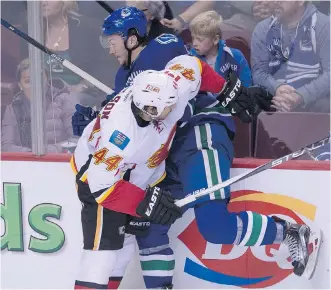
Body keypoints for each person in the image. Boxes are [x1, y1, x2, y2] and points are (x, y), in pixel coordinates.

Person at [73, 6, 318, 289]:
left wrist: (228, 91)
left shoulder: (162, 51)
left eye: (112, 39)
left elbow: (195, 67)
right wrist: (94, 119)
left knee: (214, 225)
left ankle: (289, 232)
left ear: (130, 38)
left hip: (198, 134)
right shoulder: (123, 92)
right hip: (159, 155)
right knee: (148, 227)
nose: (108, 47)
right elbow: (106, 171)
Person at [72, 49, 261, 288]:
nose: (173, 111)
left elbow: (196, 68)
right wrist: (146, 203)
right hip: (98, 177)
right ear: (148, 111)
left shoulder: (171, 87)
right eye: (165, 110)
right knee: (102, 253)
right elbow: (101, 186)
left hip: (139, 172)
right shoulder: (119, 137)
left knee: (125, 247)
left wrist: (224, 89)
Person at [251, 1, 330, 113]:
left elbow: (329, 74)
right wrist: (277, 88)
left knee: (325, 104)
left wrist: (301, 95)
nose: (275, 1)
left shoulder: (324, 25)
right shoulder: (262, 29)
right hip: (275, 101)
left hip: (314, 104)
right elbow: (258, 72)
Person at [1, 58, 76, 153]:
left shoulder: (63, 100)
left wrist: (45, 152)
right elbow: (6, 146)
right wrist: (31, 155)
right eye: (28, 81)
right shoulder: (12, 108)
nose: (35, 86)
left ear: (47, 80)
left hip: (59, 164)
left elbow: (77, 140)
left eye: (39, 80)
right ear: (20, 85)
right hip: (24, 164)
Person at [189, 10, 252, 87]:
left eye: (200, 39)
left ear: (215, 39)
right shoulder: (190, 59)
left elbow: (247, 84)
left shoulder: (235, 56)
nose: (194, 43)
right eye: (193, 38)